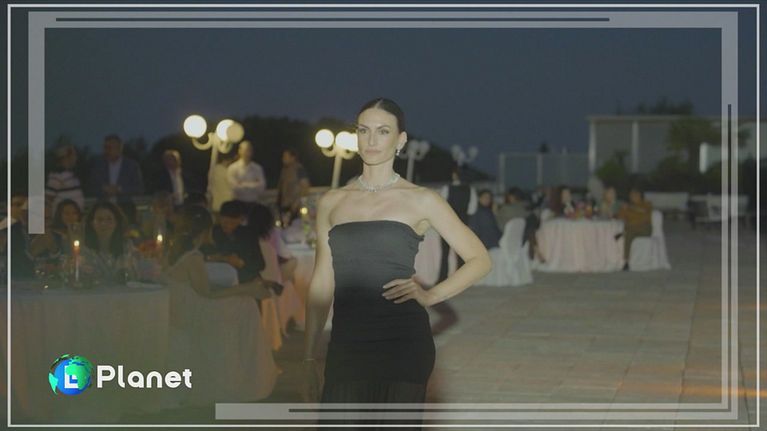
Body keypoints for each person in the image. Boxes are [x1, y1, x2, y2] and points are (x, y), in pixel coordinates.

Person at [302, 98, 491, 422]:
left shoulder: (421, 199)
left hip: (403, 343)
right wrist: (307, 356)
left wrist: (432, 295)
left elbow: (480, 259)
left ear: (400, 140)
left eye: (383, 131)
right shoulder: (332, 201)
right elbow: (321, 282)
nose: (371, 140)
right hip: (347, 342)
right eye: (364, 130)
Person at [161, 204, 280, 406]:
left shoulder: (174, 252)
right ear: (206, 231)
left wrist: (245, 289)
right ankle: (246, 376)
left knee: (244, 301)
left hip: (182, 306)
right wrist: (246, 289)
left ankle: (242, 373)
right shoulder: (193, 257)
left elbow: (199, 288)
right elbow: (207, 293)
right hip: (191, 312)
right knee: (247, 306)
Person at [202, 200, 265, 285]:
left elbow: (260, 264)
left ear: (240, 220)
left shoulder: (248, 235)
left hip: (245, 278)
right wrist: (222, 258)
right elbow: (202, 256)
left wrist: (242, 263)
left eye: (232, 223)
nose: (228, 226)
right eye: (225, 223)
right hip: (220, 279)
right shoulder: (212, 233)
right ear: (219, 218)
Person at [437, 162, 478, 282]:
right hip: (462, 224)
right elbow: (472, 210)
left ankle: (442, 279)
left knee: (445, 254)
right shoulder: (470, 189)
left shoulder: (447, 188)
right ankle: (461, 279)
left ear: (455, 175)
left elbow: (441, 207)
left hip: (447, 224)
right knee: (460, 253)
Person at [80, 201, 136, 283]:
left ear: (116, 223)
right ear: (92, 223)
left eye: (109, 219)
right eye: (99, 220)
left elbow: (133, 276)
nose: (104, 224)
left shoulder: (127, 246)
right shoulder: (85, 250)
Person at [87, 134, 144, 202]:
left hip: (125, 206)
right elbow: (90, 188)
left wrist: (119, 189)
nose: (106, 151)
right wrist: (103, 189)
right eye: (105, 147)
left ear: (119, 149)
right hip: (103, 206)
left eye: (109, 148)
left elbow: (139, 189)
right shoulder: (98, 166)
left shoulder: (132, 166)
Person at [617, 186, 653, 270]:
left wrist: (630, 208)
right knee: (627, 235)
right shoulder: (628, 206)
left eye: (634, 194)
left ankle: (623, 233)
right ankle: (626, 262)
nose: (632, 196)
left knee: (628, 232)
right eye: (631, 195)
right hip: (631, 229)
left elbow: (644, 214)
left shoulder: (646, 204)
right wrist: (622, 209)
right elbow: (620, 217)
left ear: (639, 194)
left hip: (644, 228)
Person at [276, 148, 311, 226]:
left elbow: (305, 187)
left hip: (295, 207)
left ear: (293, 158)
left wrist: (296, 203)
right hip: (284, 206)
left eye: (286, 157)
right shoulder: (284, 171)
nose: (283, 159)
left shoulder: (299, 169)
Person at [45, 144, 85, 211]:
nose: (75, 158)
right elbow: (48, 198)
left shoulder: (73, 174)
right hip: (63, 215)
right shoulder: (56, 175)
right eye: (73, 155)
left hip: (75, 214)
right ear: (65, 157)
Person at [227, 141, 266, 206]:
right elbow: (234, 187)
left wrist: (242, 184)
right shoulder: (232, 168)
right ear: (239, 151)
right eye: (245, 150)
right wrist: (254, 184)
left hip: (253, 203)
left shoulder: (257, 168)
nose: (247, 153)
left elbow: (261, 187)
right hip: (237, 203)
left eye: (249, 150)